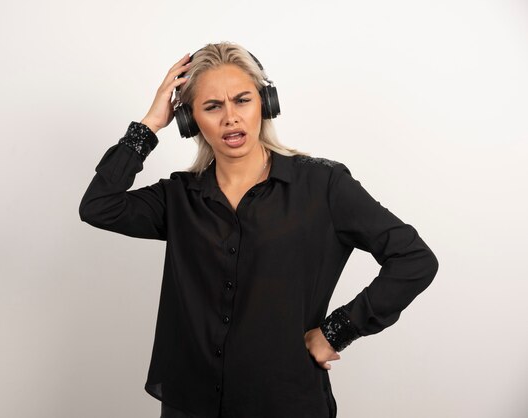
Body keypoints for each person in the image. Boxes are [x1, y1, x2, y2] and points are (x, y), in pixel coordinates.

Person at [79, 42, 439, 418]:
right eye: (212, 106)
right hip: (192, 405)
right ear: (189, 121)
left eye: (242, 100)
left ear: (266, 104)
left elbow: (413, 260)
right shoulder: (179, 197)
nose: (230, 117)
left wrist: (338, 330)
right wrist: (150, 124)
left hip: (285, 403)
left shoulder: (322, 185)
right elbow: (99, 206)